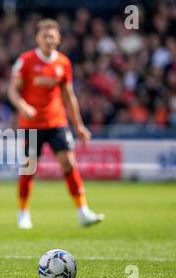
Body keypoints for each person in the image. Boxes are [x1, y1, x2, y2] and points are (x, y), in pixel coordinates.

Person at [8, 18, 104, 230]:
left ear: (58, 39)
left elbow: (69, 96)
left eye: (52, 36)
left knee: (69, 164)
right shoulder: (26, 60)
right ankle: (23, 213)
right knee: (29, 169)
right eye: (45, 36)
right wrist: (23, 106)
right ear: (37, 38)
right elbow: (12, 91)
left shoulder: (63, 63)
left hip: (56, 122)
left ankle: (83, 212)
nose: (49, 39)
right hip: (30, 124)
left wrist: (78, 125)